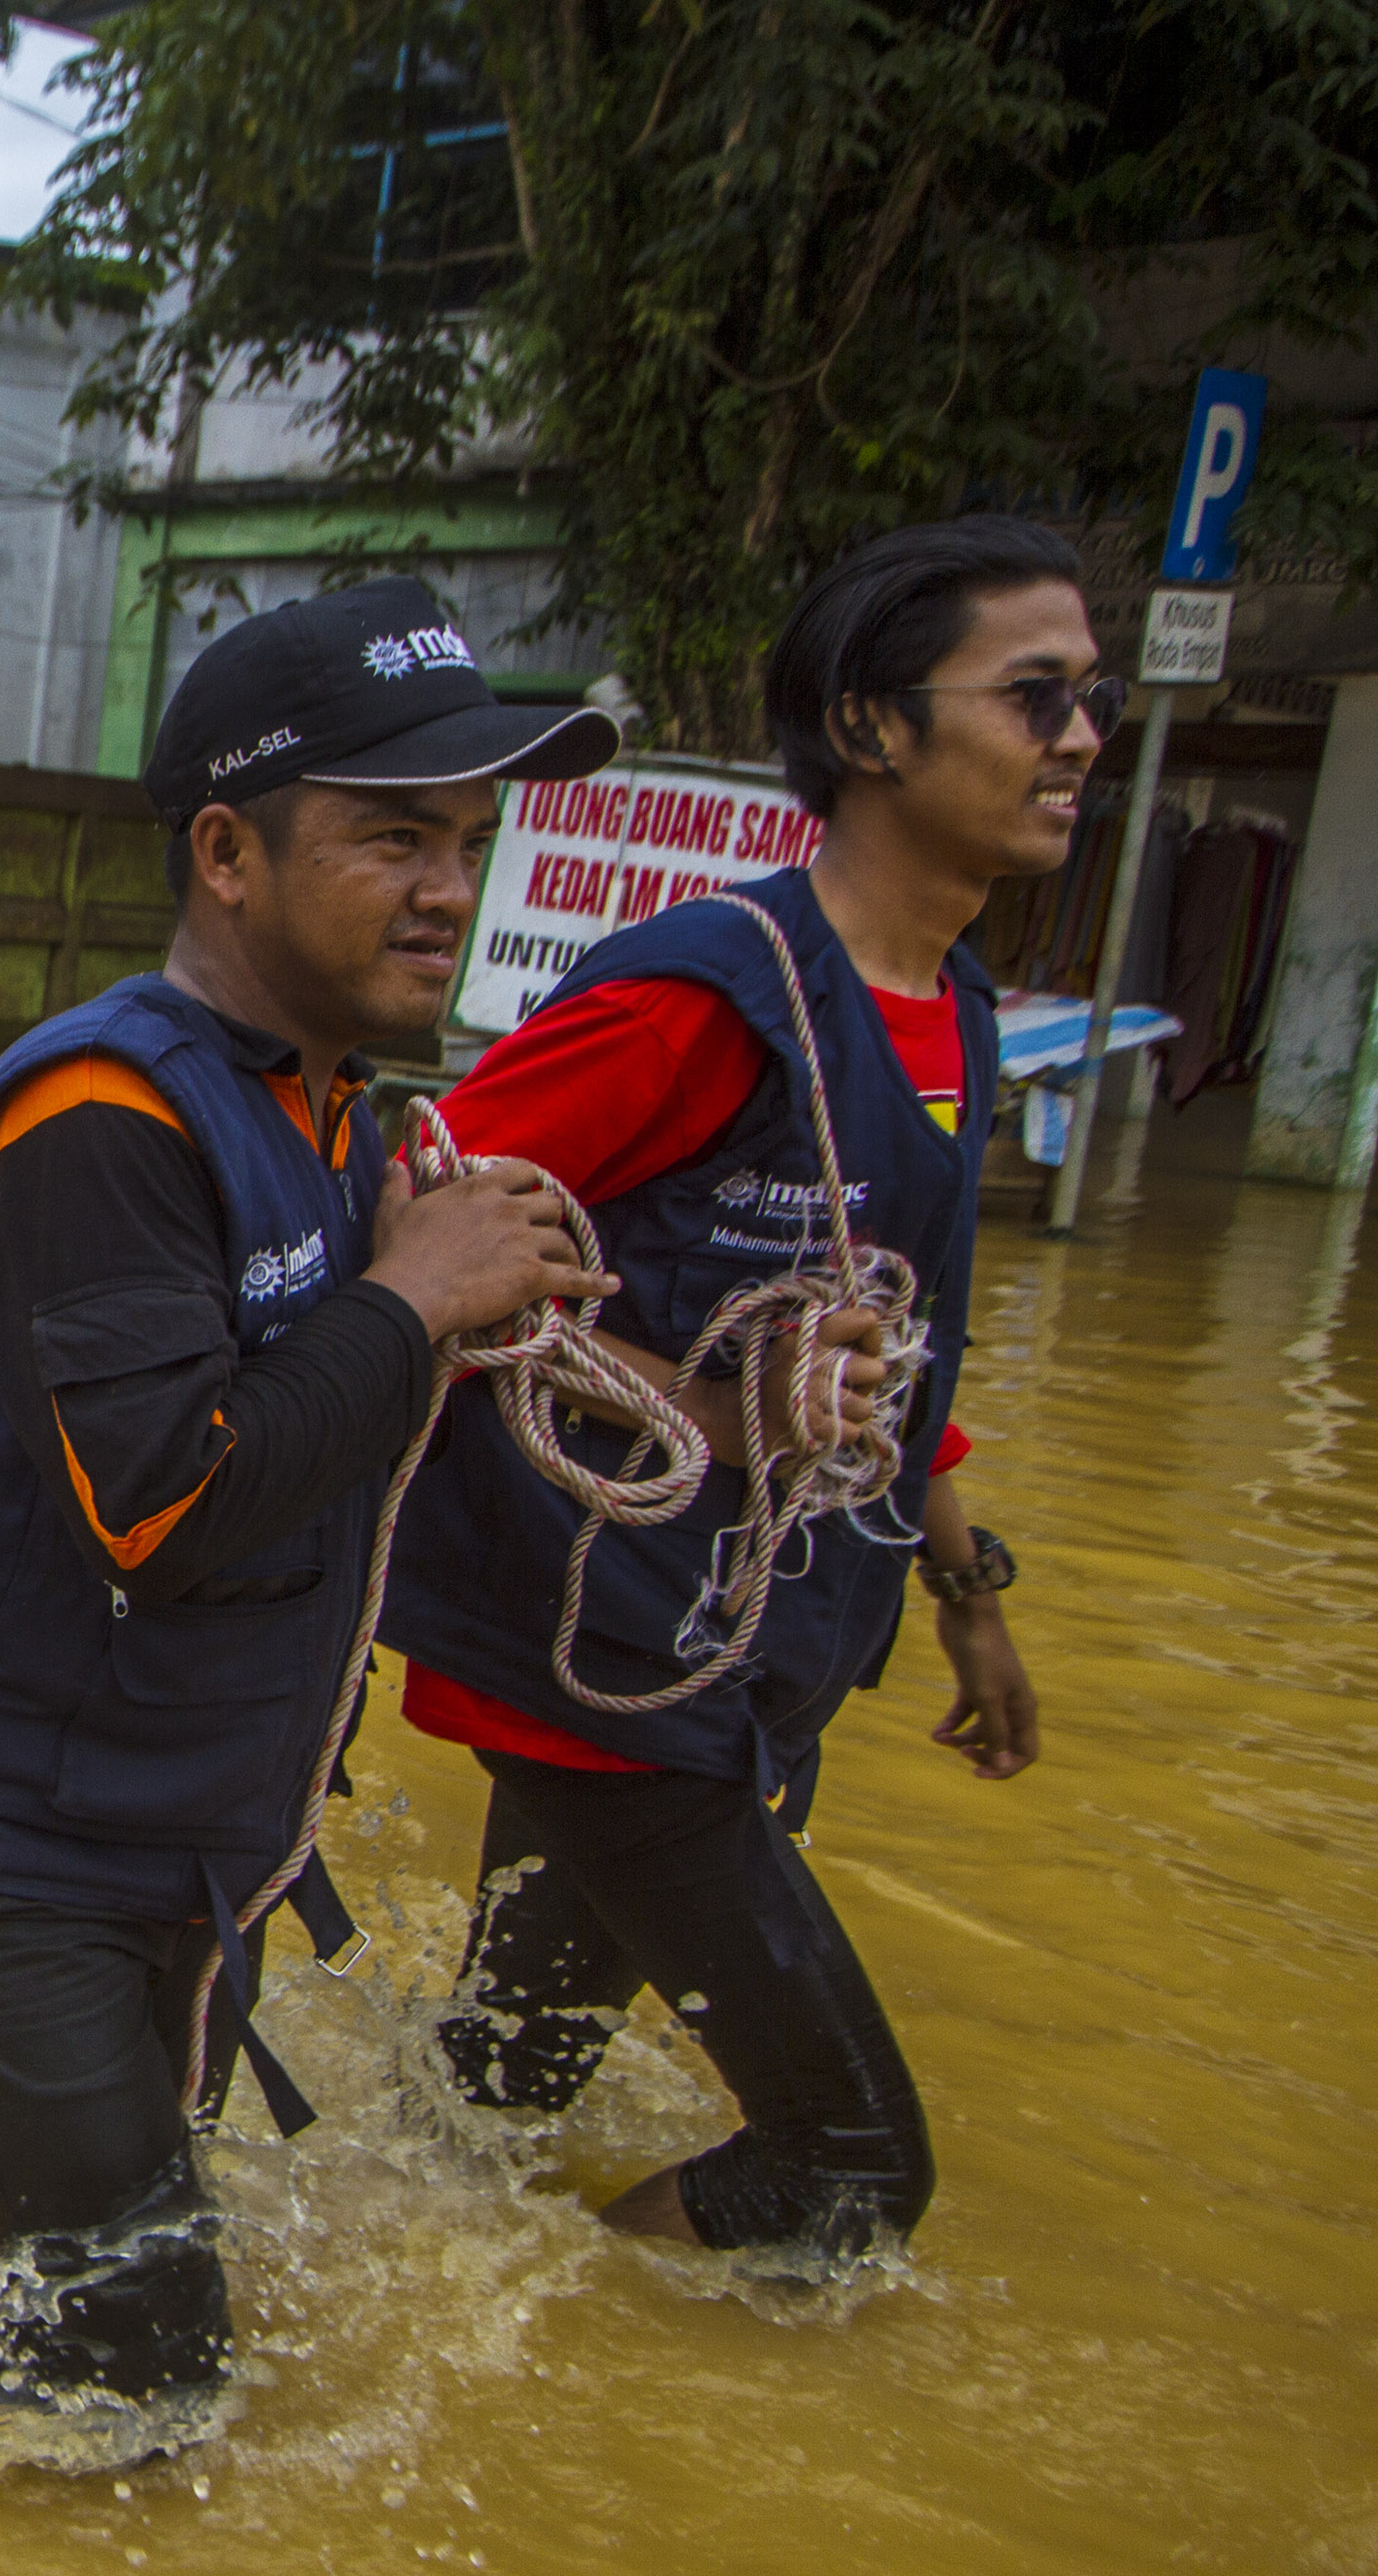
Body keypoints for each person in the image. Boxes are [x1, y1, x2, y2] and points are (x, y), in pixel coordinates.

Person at [0, 578, 622, 2409]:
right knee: (142, 2371)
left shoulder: (349, 1117)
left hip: (177, 1829)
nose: (448, 887)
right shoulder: (100, 1111)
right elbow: (157, 1510)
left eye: (469, 840)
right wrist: (416, 1297)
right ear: (230, 853)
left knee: (92, 2284)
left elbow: (364, 1443)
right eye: (393, 833)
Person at [378, 517, 1068, 2268]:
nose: (1079, 741)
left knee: (491, 2098)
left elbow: (898, 1336)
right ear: (876, 727)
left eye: (1096, 701)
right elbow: (422, 1206)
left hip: (754, 1641)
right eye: (1037, 695)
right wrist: (709, 1402)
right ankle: (584, 2386)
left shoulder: (958, 1003)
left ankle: (425, 2324)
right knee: (847, 2171)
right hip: (614, 1652)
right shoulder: (709, 996)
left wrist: (965, 1583)